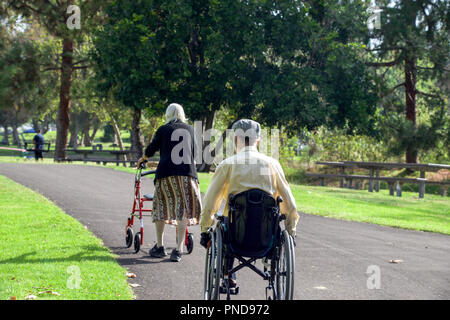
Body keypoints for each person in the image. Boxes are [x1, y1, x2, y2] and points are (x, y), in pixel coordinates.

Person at [199, 119, 299, 288]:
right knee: (274, 217)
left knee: (225, 221)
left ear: (236, 138)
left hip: (235, 233)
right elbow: (289, 204)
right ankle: (269, 265)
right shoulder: (272, 164)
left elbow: (210, 203)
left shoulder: (227, 165)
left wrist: (205, 230)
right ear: (257, 140)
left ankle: (227, 274)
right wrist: (291, 230)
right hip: (265, 235)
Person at [136, 103, 202, 262]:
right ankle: (178, 250)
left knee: (160, 207)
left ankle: (160, 246)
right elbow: (195, 153)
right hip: (187, 174)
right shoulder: (190, 129)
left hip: (166, 174)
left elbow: (151, 150)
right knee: (182, 210)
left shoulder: (163, 129)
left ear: (168, 114)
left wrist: (143, 159)